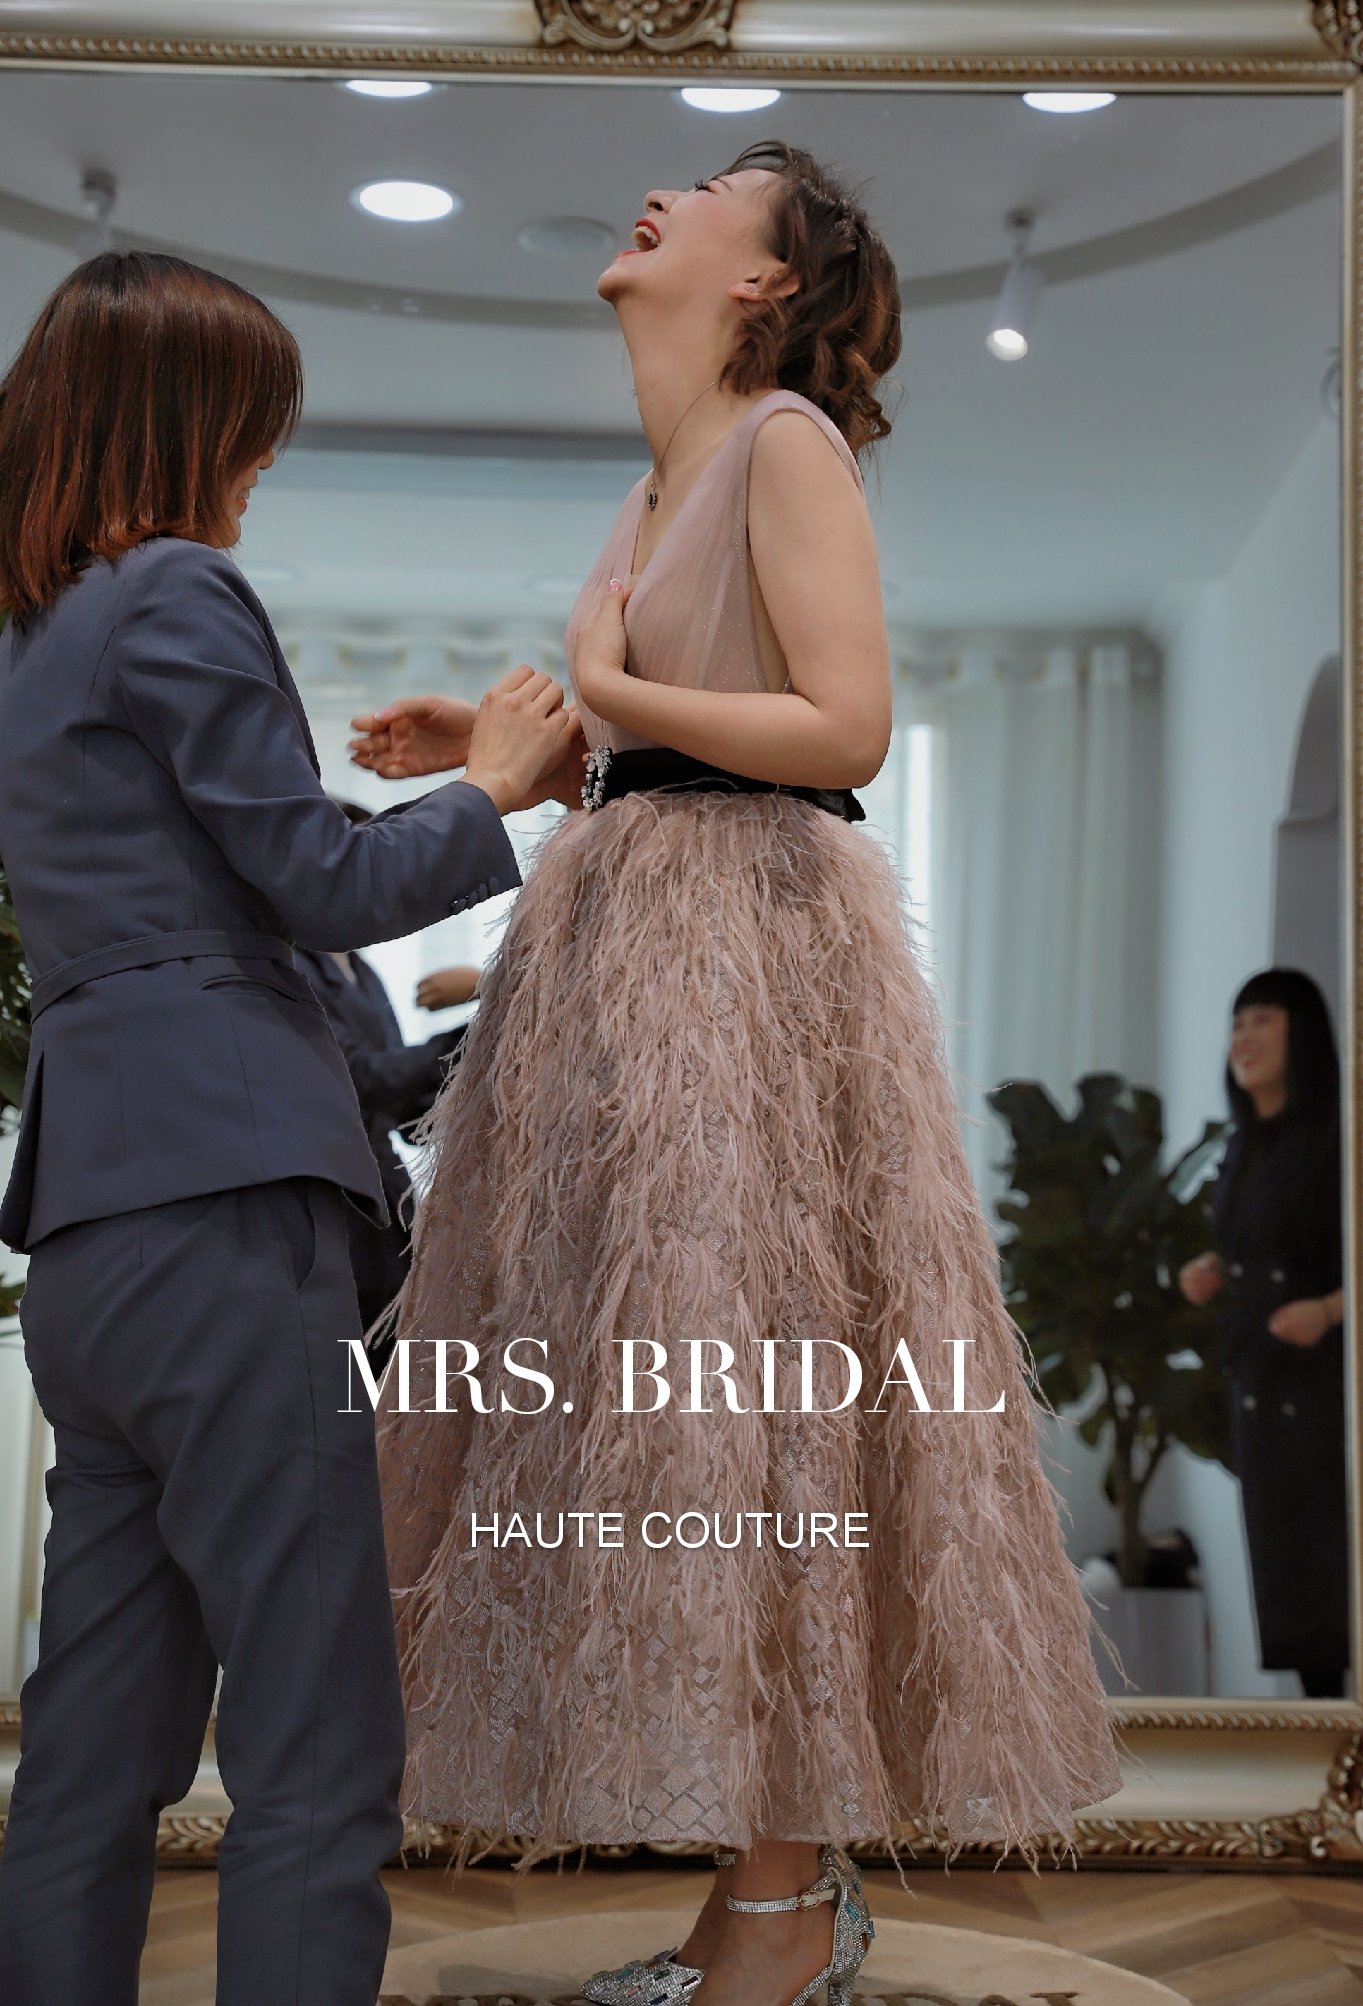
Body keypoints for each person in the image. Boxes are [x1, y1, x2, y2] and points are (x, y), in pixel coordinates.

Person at [353, 143, 1123, 2006]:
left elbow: (841, 726)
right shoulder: (660, 476)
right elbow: (688, 736)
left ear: (767, 280)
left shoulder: (782, 442)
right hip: (641, 945)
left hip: (745, 965)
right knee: (681, 1413)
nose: (660, 197)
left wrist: (605, 696)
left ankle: (781, 1907)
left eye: (713, 190)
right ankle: (758, 1896)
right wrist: (527, 747)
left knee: (757, 1402)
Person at [0, 250, 581, 2006]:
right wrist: (493, 786)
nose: (259, 464)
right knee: (317, 1745)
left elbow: (221, 887)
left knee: (90, 1753)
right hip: (228, 1218)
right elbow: (317, 888)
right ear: (184, 421)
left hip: (91, 1236)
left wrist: (412, 805)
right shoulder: (176, 584)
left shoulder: (31, 640)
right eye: (252, 425)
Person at [1179, 968, 1347, 1698]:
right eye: (1237, 1022)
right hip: (1260, 1380)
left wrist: (1329, 1311)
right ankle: (1327, 1744)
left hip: (1324, 1388)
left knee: (1334, 1584)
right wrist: (1214, 1266)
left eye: (1263, 1020)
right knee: (1293, 1591)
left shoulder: (1337, 1136)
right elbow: (1261, 1244)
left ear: (1300, 1033)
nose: (1243, 1038)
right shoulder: (1244, 1143)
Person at [295, 800, 487, 1364]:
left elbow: (404, 1111)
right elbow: (361, 1080)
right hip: (336, 1220)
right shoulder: (293, 967)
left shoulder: (364, 971)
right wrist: (482, 1028)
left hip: (386, 1211)